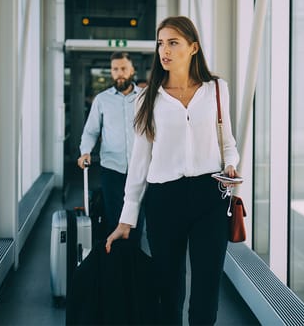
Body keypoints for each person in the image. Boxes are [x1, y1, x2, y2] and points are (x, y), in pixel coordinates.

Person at [105, 16, 242, 325]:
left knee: (206, 291)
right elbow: (140, 161)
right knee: (168, 291)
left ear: (193, 48)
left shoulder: (217, 90)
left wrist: (231, 164)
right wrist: (127, 219)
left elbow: (227, 141)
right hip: (164, 200)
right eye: (161, 43)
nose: (164, 50)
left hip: (211, 197)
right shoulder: (147, 97)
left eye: (173, 43)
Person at [78, 52, 144, 242]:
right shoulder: (102, 100)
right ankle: (115, 265)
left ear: (132, 70)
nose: (119, 73)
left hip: (140, 171)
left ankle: (132, 265)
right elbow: (91, 131)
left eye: (123, 68)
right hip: (112, 170)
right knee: (114, 221)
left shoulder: (145, 97)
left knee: (137, 222)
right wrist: (85, 152)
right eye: (115, 69)